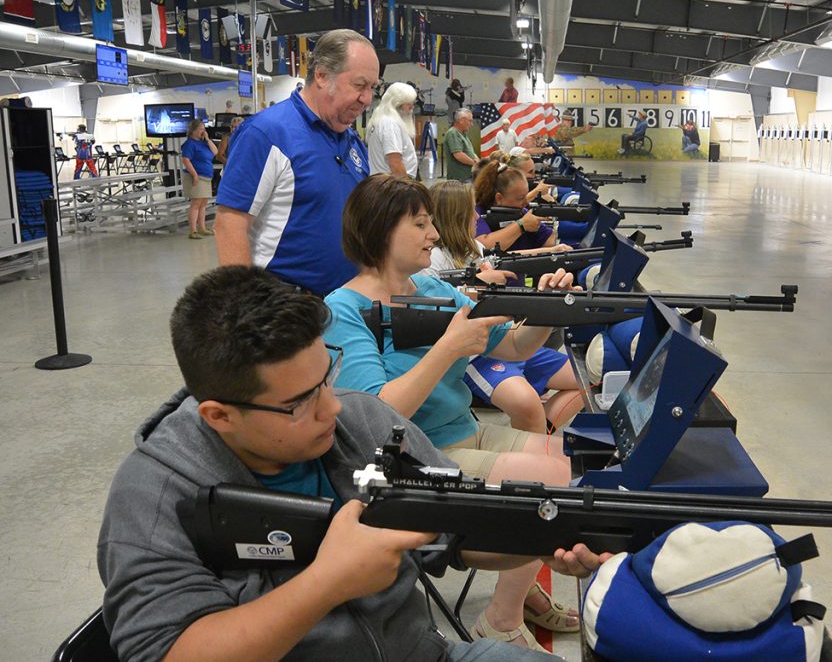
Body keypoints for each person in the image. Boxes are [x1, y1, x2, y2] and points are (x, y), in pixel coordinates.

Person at [97, 264, 608, 661]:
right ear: (219, 415)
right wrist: (327, 582)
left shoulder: (360, 421)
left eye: (328, 376)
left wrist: (541, 538)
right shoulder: (154, 494)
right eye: (300, 401)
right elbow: (165, 653)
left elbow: (457, 534)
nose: (334, 407)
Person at [324, 174, 584, 651]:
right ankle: (501, 619)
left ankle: (520, 593)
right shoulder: (342, 309)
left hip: (466, 431)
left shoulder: (426, 285)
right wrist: (446, 348)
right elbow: (377, 417)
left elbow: (511, 344)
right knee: (551, 488)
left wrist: (548, 310)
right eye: (420, 224)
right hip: (414, 459)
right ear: (381, 230)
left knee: (573, 471)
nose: (435, 234)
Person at [214, 29, 377, 297]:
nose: (367, 98)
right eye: (360, 85)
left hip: (346, 302)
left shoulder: (351, 141)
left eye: (372, 87)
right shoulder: (266, 134)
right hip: (286, 309)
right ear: (323, 76)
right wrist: (244, 307)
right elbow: (230, 223)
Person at [427, 180, 583, 434]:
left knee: (586, 381)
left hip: (503, 337)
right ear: (455, 216)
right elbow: (435, 313)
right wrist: (475, 284)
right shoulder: (433, 259)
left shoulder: (471, 246)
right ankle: (532, 442)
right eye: (470, 210)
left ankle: (539, 428)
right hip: (474, 353)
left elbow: (504, 261)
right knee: (526, 404)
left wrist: (551, 251)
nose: (477, 215)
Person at [474, 162, 567, 255]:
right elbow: (482, 246)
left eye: (526, 196)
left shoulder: (522, 212)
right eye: (520, 198)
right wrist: (521, 226)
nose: (526, 202)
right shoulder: (476, 213)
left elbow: (549, 240)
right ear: (499, 198)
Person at [367, 82, 419, 178]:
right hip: (394, 184)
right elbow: (394, 162)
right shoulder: (390, 124)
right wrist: (407, 186)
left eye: (412, 103)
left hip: (385, 182)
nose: (412, 107)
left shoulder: (380, 119)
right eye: (408, 104)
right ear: (397, 104)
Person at [180, 119, 217, 240]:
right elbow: (186, 160)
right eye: (201, 129)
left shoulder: (203, 143)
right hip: (197, 177)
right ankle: (193, 230)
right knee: (196, 203)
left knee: (203, 204)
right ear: (194, 130)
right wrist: (194, 174)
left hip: (206, 176)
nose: (203, 131)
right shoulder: (189, 144)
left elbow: (215, 152)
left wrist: (207, 139)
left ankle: (202, 227)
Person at [444, 108, 478, 182]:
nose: (471, 124)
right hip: (460, 178)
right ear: (461, 120)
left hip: (468, 175)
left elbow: (470, 151)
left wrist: (478, 161)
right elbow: (458, 154)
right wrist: (475, 163)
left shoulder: (463, 134)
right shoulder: (453, 133)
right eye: (470, 121)